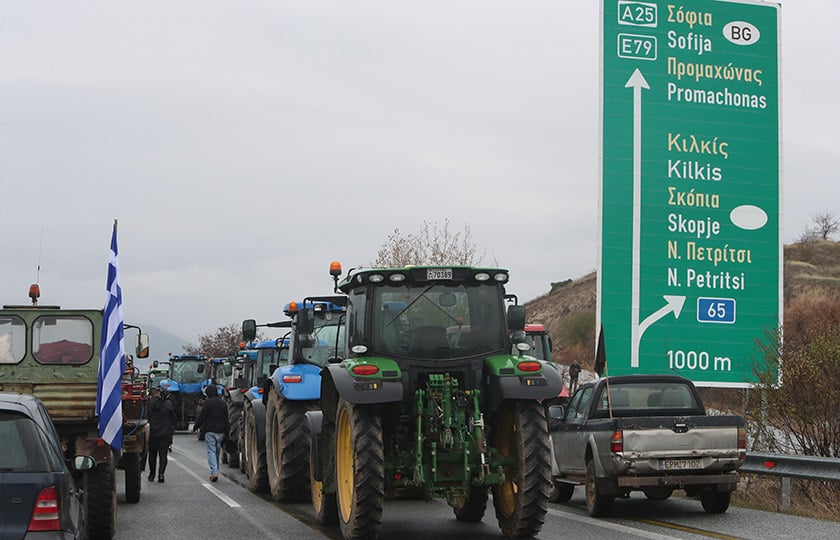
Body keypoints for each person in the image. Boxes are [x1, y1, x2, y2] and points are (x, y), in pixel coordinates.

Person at [193, 384, 228, 482]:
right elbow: (226, 419)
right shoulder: (223, 403)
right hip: (220, 432)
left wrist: (196, 427)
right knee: (217, 452)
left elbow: (202, 417)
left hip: (210, 431)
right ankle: (216, 470)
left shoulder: (208, 403)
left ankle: (214, 472)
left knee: (211, 452)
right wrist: (227, 433)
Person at [147, 386, 176, 483]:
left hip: (153, 433)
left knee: (152, 455)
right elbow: (173, 418)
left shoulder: (150, 404)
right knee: (163, 455)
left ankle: (152, 474)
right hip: (165, 433)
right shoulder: (168, 404)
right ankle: (161, 474)